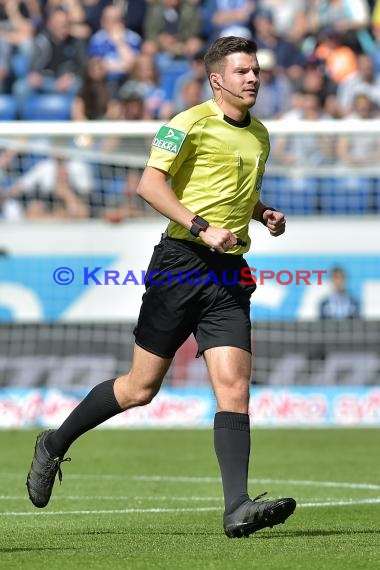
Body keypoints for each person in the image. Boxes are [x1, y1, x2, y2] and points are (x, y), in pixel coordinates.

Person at [26, 36, 296, 538]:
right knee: (139, 388)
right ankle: (54, 442)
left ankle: (237, 507)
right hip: (181, 263)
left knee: (235, 388)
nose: (253, 78)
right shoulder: (186, 123)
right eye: (242, 72)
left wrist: (264, 213)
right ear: (217, 79)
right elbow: (149, 185)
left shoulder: (259, 134)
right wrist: (200, 227)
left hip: (229, 271)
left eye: (256, 70)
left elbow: (237, 191)